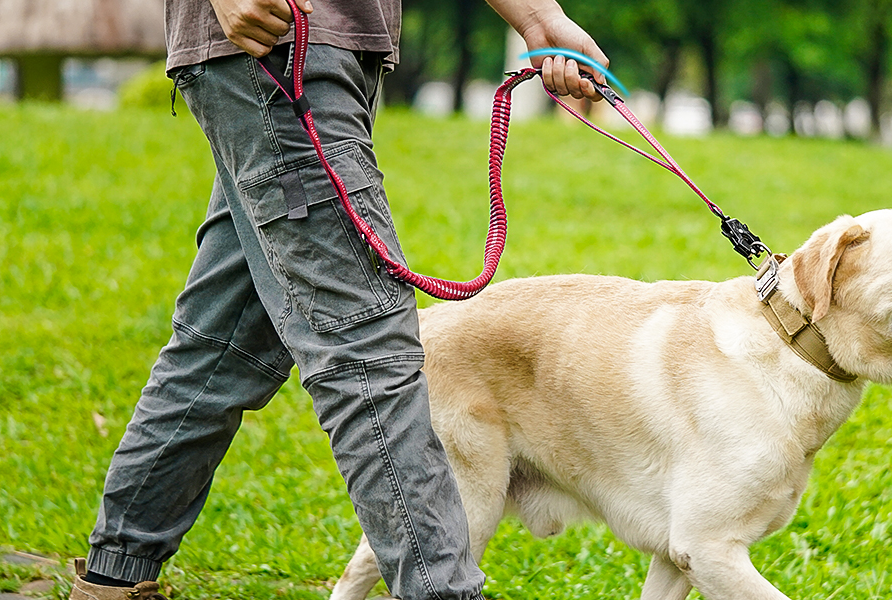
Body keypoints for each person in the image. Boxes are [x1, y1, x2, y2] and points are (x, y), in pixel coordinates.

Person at [68, 0, 608, 598]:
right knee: (370, 351)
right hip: (278, 44)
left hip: (333, 53)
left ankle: (113, 579)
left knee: (226, 346)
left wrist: (538, 18)